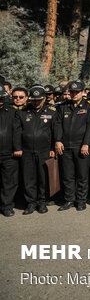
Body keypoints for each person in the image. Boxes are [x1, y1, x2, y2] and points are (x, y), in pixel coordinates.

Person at [53, 81, 90, 212]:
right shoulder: (63, 106)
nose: (74, 94)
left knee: (82, 175)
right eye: (71, 92)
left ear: (83, 92)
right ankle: (69, 199)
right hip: (65, 146)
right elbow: (58, 124)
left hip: (81, 146)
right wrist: (58, 140)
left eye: (77, 92)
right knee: (68, 175)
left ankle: (81, 200)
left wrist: (86, 144)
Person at [14, 86, 57, 214]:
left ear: (44, 98)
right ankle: (31, 203)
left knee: (43, 178)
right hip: (27, 151)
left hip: (44, 150)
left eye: (39, 100)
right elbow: (17, 132)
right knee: (29, 178)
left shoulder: (51, 111)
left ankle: (42, 202)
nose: (36, 103)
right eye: (34, 100)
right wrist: (18, 148)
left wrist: (52, 148)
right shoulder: (22, 112)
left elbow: (55, 131)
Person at [0, 86, 20, 217]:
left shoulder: (12, 111)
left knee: (9, 181)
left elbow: (17, 131)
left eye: (1, 97)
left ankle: (7, 206)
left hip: (8, 153)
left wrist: (17, 148)